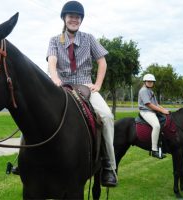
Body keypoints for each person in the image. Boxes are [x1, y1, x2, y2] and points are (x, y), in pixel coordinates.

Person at [46, 1, 117, 187]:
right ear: (64, 18)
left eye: (77, 17)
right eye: (70, 16)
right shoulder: (55, 40)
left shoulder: (89, 38)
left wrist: (98, 84)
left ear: (81, 20)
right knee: (36, 109)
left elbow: (102, 62)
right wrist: (54, 79)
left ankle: (109, 165)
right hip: (61, 85)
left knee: (107, 116)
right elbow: (52, 62)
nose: (74, 19)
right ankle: (22, 160)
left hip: (86, 85)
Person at [138, 74, 170, 159]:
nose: (150, 83)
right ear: (145, 82)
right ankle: (154, 150)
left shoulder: (150, 91)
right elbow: (148, 104)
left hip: (152, 111)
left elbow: (156, 104)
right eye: (149, 81)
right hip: (146, 111)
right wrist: (162, 111)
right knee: (156, 126)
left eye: (152, 81)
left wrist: (163, 109)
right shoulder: (143, 90)